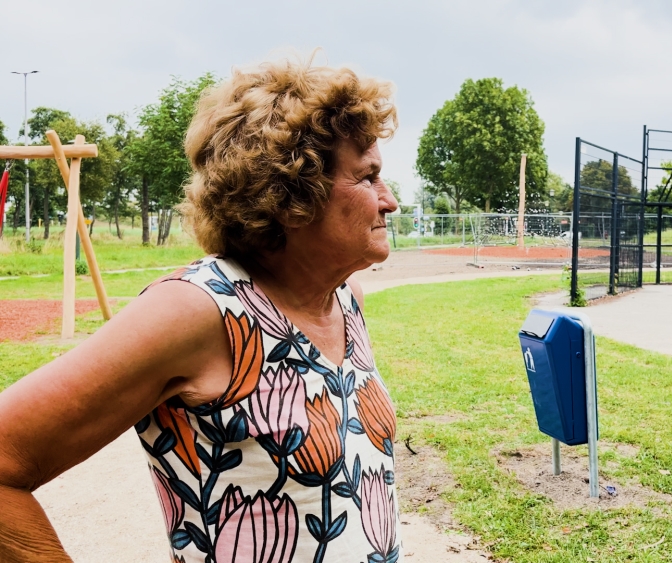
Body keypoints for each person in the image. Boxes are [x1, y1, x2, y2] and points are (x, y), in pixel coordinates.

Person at [0, 57, 402, 563]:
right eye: (368, 178)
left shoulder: (346, 300)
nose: (389, 200)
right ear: (292, 194)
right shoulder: (198, 310)